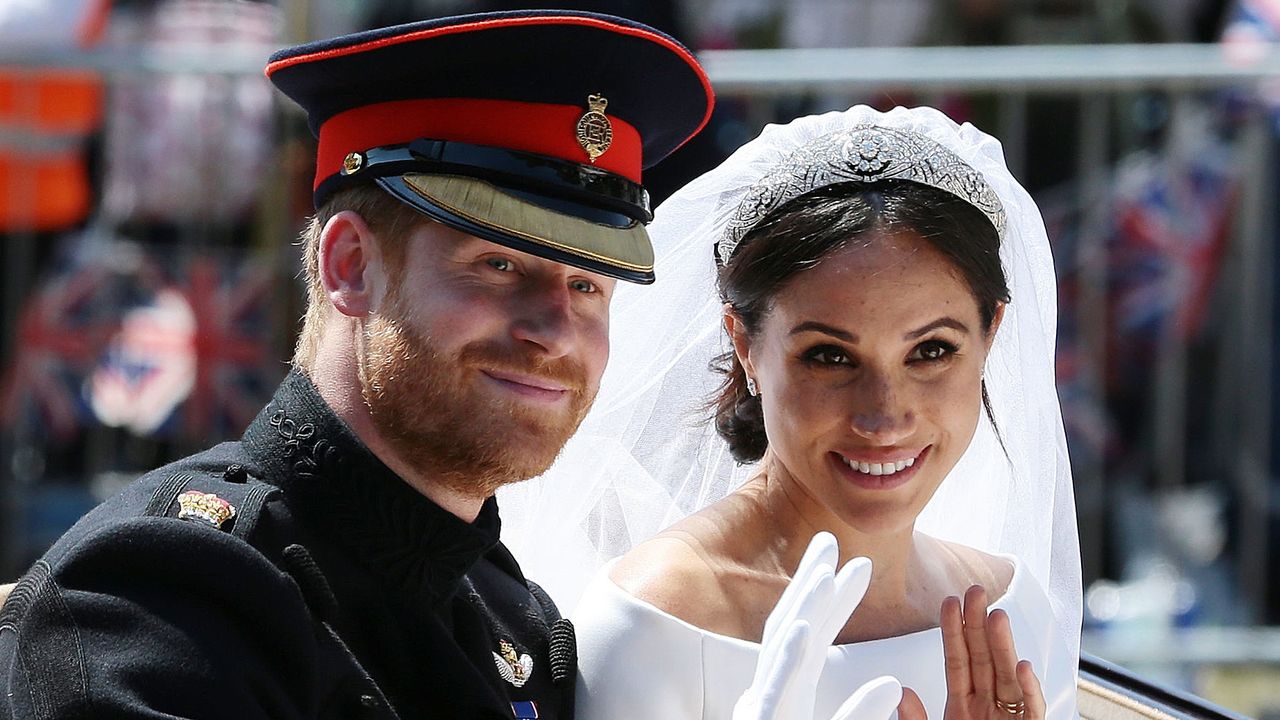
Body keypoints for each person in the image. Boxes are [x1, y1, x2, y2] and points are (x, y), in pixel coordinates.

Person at [0, 11, 716, 719]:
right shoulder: (169, 599)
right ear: (350, 265)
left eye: (588, 284)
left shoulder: (513, 615)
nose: (556, 331)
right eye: (500, 265)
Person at [498, 105, 1081, 719]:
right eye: (829, 357)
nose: (883, 416)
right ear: (745, 345)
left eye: (931, 351)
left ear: (990, 334)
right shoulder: (654, 623)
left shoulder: (1010, 612)